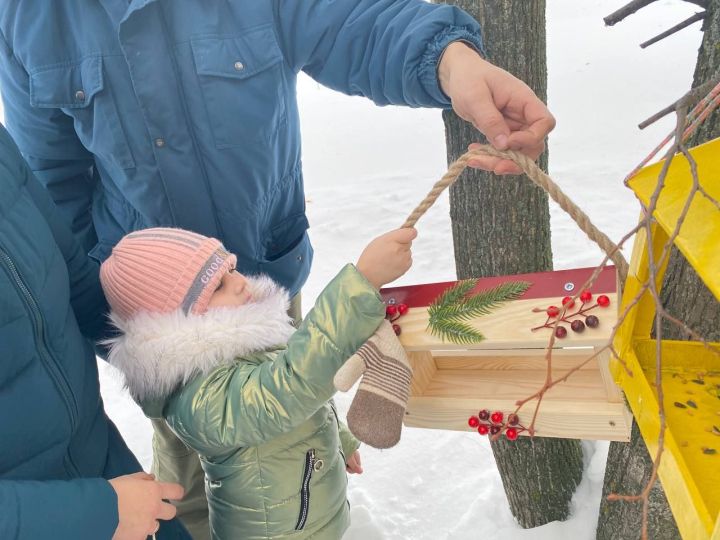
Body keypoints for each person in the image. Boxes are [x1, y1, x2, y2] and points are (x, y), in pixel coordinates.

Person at [0, 2, 556, 535]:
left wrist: (448, 60)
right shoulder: (27, 16)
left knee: (293, 414)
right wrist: (125, 328)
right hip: (157, 321)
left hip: (261, 278)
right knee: (189, 475)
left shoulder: (243, 283)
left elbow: (350, 21)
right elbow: (55, 183)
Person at [97, 225, 415, 539]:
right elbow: (287, 388)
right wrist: (360, 286)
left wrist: (339, 439)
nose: (238, 282)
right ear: (176, 322)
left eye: (231, 268)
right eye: (218, 286)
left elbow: (301, 393)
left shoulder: (249, 339)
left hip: (314, 519)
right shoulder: (199, 397)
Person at [0, 125, 190, 539]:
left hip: (106, 469)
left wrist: (189, 350)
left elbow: (73, 277)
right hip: (63, 518)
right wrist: (95, 514)